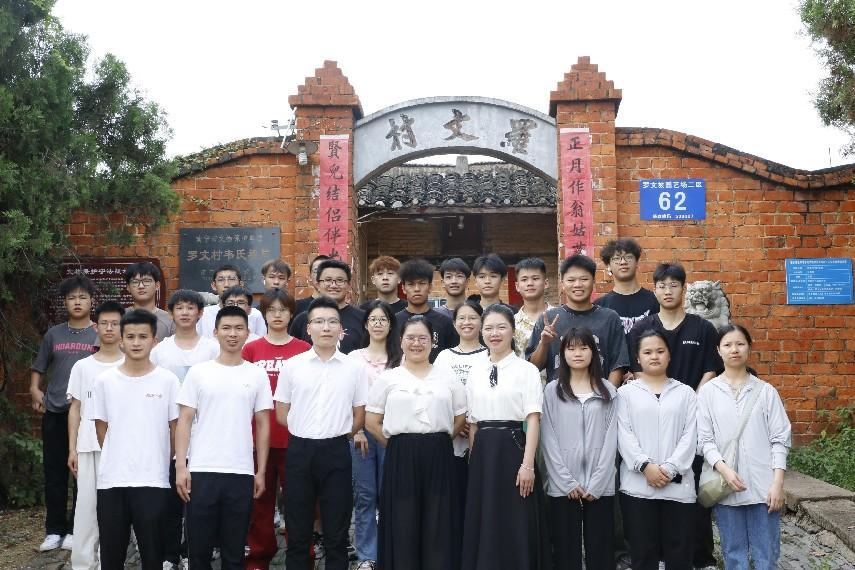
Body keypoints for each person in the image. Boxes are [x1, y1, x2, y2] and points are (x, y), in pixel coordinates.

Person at [628, 262, 722, 568]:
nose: (668, 291)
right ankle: (654, 556)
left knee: (691, 488)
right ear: (654, 289)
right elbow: (636, 370)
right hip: (649, 417)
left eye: (674, 285)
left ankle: (700, 556)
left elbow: (711, 368)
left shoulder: (702, 328)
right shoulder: (642, 329)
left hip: (691, 415)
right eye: (662, 285)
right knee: (648, 496)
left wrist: (690, 400)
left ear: (684, 289)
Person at [174, 305, 273, 570]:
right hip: (201, 470)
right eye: (226, 328)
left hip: (240, 471)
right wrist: (181, 466)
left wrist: (261, 471)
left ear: (247, 333)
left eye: (239, 328)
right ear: (215, 332)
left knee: (234, 552)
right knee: (199, 552)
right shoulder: (199, 372)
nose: (232, 334)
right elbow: (184, 420)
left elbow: (263, 424)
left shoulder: (256, 374)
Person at [274, 296, 369, 570]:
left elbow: (359, 413)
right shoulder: (293, 366)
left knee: (336, 532)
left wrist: (340, 434)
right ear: (308, 328)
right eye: (319, 322)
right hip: (300, 451)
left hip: (337, 451)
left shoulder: (354, 368)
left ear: (341, 329)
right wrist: (304, 429)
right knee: (298, 530)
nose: (326, 327)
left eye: (332, 322)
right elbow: (281, 412)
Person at [365, 315, 467, 570]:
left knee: (439, 518)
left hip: (439, 453)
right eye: (410, 338)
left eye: (423, 338)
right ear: (400, 341)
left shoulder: (448, 378)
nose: (416, 343)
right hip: (401, 453)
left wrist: (439, 441)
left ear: (432, 341)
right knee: (403, 518)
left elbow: (460, 417)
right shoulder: (389, 378)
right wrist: (397, 446)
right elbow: (371, 421)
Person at [90, 309, 180, 570]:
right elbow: (101, 428)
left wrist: (161, 459)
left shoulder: (168, 381)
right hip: (112, 480)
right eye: (130, 337)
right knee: (112, 556)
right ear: (121, 340)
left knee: (153, 556)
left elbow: (175, 428)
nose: (137, 342)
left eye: (143, 336)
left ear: (154, 341)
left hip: (153, 479)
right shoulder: (105, 381)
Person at [697, 325, 791, 570]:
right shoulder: (708, 393)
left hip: (764, 488)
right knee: (733, 555)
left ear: (749, 348)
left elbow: (780, 439)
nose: (734, 350)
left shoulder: (766, 391)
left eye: (740, 344)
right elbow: (704, 440)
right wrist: (725, 470)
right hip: (726, 487)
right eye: (727, 345)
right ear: (718, 350)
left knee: (766, 556)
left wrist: (777, 484)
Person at [462, 304, 545, 570]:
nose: (494, 333)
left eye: (501, 327)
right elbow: (473, 423)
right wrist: (474, 460)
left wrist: (528, 465)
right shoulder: (475, 370)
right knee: (484, 516)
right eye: (488, 328)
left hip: (513, 448)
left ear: (513, 331)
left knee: (516, 517)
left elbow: (533, 419)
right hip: (483, 452)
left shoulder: (526, 370)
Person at [242, 289, 312, 570]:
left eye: (283, 309)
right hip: (258, 439)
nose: (278, 315)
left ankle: (302, 557)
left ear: (291, 313)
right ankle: (258, 558)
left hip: (295, 439)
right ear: (264, 314)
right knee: (259, 502)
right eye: (272, 310)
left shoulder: (304, 350)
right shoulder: (251, 349)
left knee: (298, 503)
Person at [150, 289, 220, 569]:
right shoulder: (160, 351)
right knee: (170, 499)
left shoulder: (212, 349)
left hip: (205, 433)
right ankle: (169, 554)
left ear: (200, 313)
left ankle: (194, 551)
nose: (185, 312)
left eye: (191, 307)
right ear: (171, 313)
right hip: (168, 433)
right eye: (179, 307)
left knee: (198, 501)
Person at [617, 330, 697, 570]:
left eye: (660, 351)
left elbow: (691, 435)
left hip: (678, 487)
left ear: (669, 355)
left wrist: (671, 468)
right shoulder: (625, 394)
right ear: (638, 358)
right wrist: (645, 466)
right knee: (643, 554)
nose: (654, 356)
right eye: (648, 352)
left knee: (680, 554)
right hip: (638, 486)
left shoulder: (686, 393)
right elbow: (623, 434)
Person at [31, 274, 98, 553]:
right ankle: (54, 530)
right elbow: (39, 367)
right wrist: (35, 389)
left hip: (87, 415)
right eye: (72, 298)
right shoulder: (54, 334)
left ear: (91, 301)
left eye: (83, 297)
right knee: (55, 473)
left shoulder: (99, 333)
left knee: (83, 474)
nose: (77, 302)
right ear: (65, 302)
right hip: (57, 411)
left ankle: (74, 530)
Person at [540, 328, 618, 570]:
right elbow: (548, 439)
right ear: (562, 354)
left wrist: (599, 482)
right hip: (563, 485)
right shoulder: (552, 391)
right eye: (571, 348)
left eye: (584, 348)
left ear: (593, 353)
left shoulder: (608, 391)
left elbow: (612, 439)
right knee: (565, 550)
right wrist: (565, 481)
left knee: (601, 548)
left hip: (600, 485)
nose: (577, 353)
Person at [66, 301, 125, 570]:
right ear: (95, 327)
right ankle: (83, 563)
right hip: (89, 445)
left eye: (115, 323)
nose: (109, 328)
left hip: (122, 448)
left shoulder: (131, 364)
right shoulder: (82, 367)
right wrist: (72, 448)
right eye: (104, 323)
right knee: (86, 508)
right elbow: (75, 409)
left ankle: (109, 562)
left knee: (115, 511)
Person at [347, 301, 403, 570]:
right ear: (366, 324)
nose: (378, 324)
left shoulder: (401, 358)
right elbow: (348, 397)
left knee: (390, 493)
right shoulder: (353, 358)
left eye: (383, 319)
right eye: (373, 319)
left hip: (393, 432)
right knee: (365, 495)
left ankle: (391, 551)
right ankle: (367, 556)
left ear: (391, 325)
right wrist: (357, 430)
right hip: (362, 435)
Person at [526, 254, 629, 387]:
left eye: (584, 279)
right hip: (559, 396)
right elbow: (533, 367)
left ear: (593, 282)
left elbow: (618, 364)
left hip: (600, 395)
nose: (578, 285)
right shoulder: (549, 319)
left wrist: (608, 395)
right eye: (571, 280)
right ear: (562, 284)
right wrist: (544, 343)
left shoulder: (609, 318)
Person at [432, 301, 488, 500]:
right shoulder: (443, 357)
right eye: (462, 318)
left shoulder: (490, 355)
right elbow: (435, 395)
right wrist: (457, 421)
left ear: (482, 322)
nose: (467, 322)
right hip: (451, 435)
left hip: (482, 434)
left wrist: (471, 421)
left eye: (472, 318)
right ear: (454, 324)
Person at [289, 259, 366, 354]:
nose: (333, 285)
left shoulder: (363, 318)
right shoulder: (302, 319)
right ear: (318, 284)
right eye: (328, 280)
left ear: (349, 285)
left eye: (340, 280)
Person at [394, 259, 458, 362]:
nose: (417, 289)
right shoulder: (394, 322)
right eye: (411, 284)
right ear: (403, 288)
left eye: (422, 283)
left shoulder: (445, 323)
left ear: (430, 287)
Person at [594, 238, 659, 335]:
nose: (623, 262)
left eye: (628, 257)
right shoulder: (600, 306)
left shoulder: (655, 301)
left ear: (637, 262)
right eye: (616, 258)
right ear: (608, 266)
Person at [197, 265, 266, 338]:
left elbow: (261, 340)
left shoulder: (255, 314)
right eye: (221, 280)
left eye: (232, 279)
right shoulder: (204, 314)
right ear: (214, 286)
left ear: (241, 284)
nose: (226, 284)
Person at [124, 262, 175, 341]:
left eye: (146, 281)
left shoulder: (169, 320)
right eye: (135, 282)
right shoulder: (118, 317)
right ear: (128, 287)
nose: (141, 286)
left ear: (157, 285)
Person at [512, 257, 552, 359]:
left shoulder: (559, 316)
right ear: (517, 286)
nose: (530, 283)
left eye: (535, 278)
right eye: (524, 280)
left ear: (546, 283)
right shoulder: (512, 323)